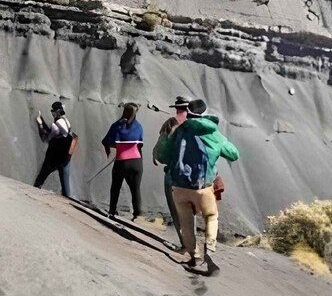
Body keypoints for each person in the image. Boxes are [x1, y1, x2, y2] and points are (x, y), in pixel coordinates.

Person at [157, 99, 239, 266]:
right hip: (203, 187)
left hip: (179, 186)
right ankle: (209, 249)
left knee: (186, 221)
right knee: (211, 216)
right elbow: (233, 154)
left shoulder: (178, 131)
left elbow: (161, 156)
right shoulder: (212, 132)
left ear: (188, 111)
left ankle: (194, 256)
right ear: (204, 112)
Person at [153, 96, 191, 243]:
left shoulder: (171, 123)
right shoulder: (198, 125)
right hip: (195, 175)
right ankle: (195, 244)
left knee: (176, 209)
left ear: (177, 108)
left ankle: (185, 243)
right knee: (190, 211)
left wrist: (156, 155)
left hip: (174, 174)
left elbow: (161, 150)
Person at [102, 103, 145, 219]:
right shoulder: (139, 127)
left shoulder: (117, 126)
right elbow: (140, 145)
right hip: (137, 162)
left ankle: (112, 210)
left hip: (122, 161)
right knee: (135, 189)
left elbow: (106, 142)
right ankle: (137, 214)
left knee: (115, 186)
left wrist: (109, 153)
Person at [34, 101, 75, 198]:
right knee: (64, 182)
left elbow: (46, 138)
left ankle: (35, 191)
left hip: (55, 155)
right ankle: (66, 198)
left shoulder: (58, 123)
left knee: (43, 175)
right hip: (64, 156)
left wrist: (40, 124)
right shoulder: (66, 121)